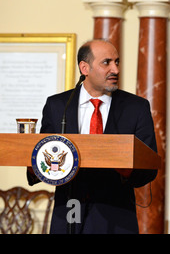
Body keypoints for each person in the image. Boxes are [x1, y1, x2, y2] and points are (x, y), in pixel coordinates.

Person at [27, 39, 158, 234]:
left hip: (116, 214)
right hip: (69, 211)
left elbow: (149, 167)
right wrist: (34, 163)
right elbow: (41, 159)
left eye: (117, 62)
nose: (115, 69)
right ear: (84, 68)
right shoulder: (57, 105)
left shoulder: (136, 107)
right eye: (106, 62)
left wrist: (126, 169)